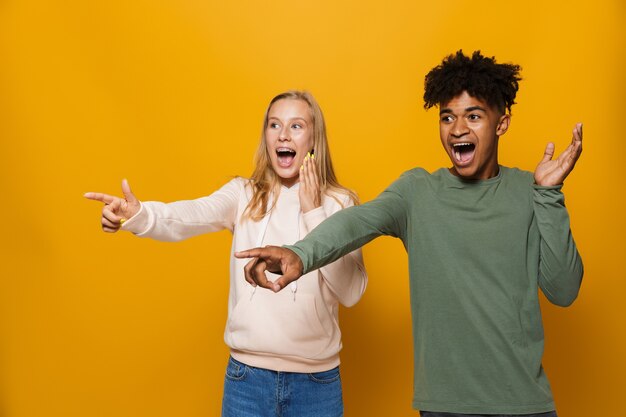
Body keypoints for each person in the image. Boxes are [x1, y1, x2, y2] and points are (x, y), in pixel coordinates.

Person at [236, 51, 583, 416]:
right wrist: (301, 253)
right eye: (447, 117)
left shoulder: (529, 192)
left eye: (474, 116)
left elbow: (563, 290)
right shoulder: (418, 192)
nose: (458, 129)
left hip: (525, 405)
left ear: (502, 123)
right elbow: (355, 222)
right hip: (445, 407)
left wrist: (549, 195)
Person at [84, 90, 367, 417]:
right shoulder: (244, 194)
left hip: (316, 384)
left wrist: (313, 212)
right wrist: (138, 214)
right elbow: (190, 215)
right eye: (274, 125)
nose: (283, 135)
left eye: (296, 126)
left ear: (314, 138)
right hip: (247, 380)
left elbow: (352, 292)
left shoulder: (340, 203)